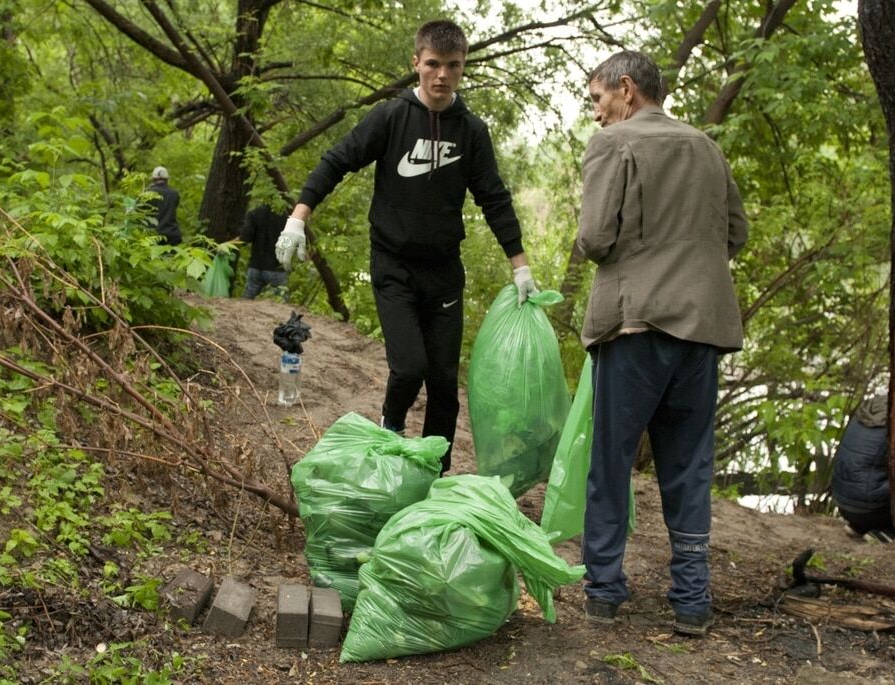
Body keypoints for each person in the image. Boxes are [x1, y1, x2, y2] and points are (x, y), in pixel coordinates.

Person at [274, 19, 538, 473]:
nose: (442, 76)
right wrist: (299, 216)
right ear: (416, 63)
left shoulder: (471, 131)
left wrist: (520, 265)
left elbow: (493, 198)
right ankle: (389, 430)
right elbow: (337, 160)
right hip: (393, 263)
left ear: (462, 68)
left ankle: (435, 475)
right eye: (433, 64)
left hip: (444, 270)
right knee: (410, 367)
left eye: (453, 66)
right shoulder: (391, 117)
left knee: (442, 382)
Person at [574, 51, 748, 637]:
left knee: (611, 461)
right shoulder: (706, 147)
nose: (596, 115)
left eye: (598, 100)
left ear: (625, 90)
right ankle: (692, 602)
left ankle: (603, 591)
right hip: (701, 330)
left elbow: (596, 238)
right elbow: (736, 234)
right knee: (689, 466)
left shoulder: (613, 144)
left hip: (635, 325)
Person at [831, 393, 894, 543]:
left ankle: (859, 526)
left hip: (844, 504)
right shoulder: (892, 417)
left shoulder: (870, 406)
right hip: (872, 509)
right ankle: (889, 532)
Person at [240, 204, 289, 300]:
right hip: (276, 268)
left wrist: (228, 245)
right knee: (280, 303)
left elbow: (245, 238)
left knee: (247, 302)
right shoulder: (287, 217)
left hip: (256, 266)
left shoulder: (254, 213)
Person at [143, 166, 181, 245]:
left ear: (153, 179)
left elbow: (139, 213)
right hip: (172, 235)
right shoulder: (175, 194)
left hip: (153, 237)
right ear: (167, 179)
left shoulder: (147, 193)